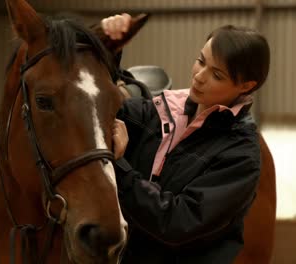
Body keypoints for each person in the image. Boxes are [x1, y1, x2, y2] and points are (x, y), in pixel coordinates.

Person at [104, 14, 270, 263]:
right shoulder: (158, 111)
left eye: (217, 75)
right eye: (200, 61)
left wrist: (122, 170)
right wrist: (109, 49)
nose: (199, 76)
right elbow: (100, 106)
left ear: (246, 86)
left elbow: (178, 222)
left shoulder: (241, 155)